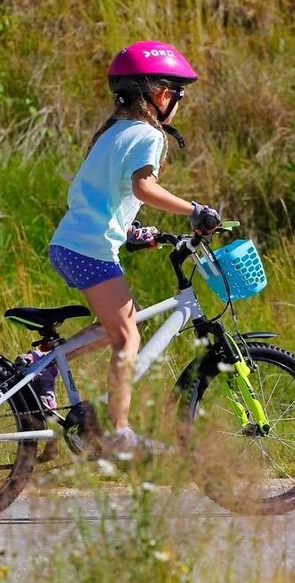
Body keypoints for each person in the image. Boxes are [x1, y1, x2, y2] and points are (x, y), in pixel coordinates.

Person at [47, 40, 221, 452]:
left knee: (122, 325)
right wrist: (194, 210)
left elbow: (100, 197)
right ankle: (118, 431)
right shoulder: (147, 135)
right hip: (89, 249)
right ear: (162, 94)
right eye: (179, 95)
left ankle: (42, 365)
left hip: (71, 243)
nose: (178, 103)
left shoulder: (112, 133)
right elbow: (143, 187)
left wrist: (132, 232)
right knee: (128, 336)